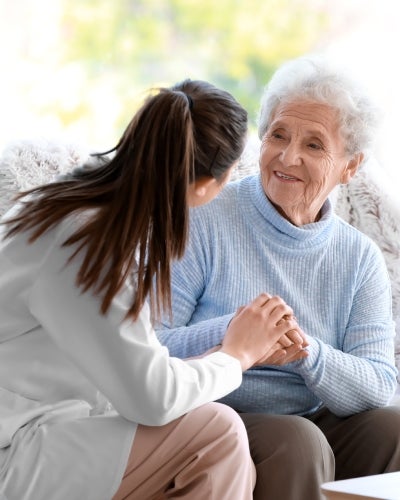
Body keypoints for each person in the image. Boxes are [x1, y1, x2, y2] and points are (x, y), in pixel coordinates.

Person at [0, 79, 305, 500]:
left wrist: (225, 352)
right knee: (217, 434)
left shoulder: (84, 204)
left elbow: (138, 370)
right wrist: (237, 355)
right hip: (15, 442)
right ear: (207, 185)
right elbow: (152, 399)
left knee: (222, 451)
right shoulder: (88, 239)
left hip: (46, 425)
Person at [156, 57, 400, 500]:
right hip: (217, 413)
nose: (288, 157)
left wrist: (306, 352)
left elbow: (380, 383)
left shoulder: (359, 256)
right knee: (297, 441)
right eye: (278, 135)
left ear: (350, 166)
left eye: (314, 145)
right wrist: (239, 334)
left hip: (311, 414)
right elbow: (149, 343)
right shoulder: (205, 216)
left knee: (394, 427)